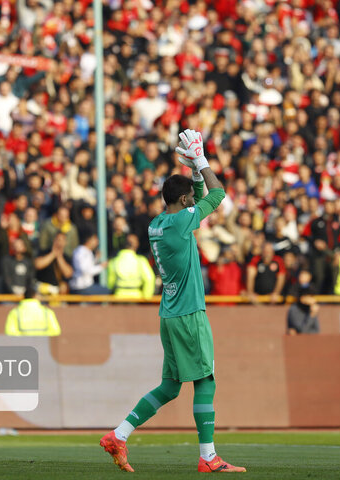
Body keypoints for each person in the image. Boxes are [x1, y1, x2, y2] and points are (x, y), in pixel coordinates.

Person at [100, 130, 245, 473]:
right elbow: (219, 193)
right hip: (190, 315)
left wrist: (194, 174)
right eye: (190, 201)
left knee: (170, 386)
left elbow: (195, 197)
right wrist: (203, 162)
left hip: (169, 313)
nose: (194, 204)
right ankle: (208, 457)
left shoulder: (159, 224)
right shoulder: (183, 221)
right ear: (183, 203)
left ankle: (118, 435)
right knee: (205, 380)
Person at [107, 234, 156, 299]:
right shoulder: (141, 261)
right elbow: (149, 279)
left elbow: (110, 284)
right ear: (135, 245)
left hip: (118, 297)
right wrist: (146, 297)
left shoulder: (113, 261)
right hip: (137, 297)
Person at [69, 231, 110, 295]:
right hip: (81, 287)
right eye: (95, 239)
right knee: (107, 292)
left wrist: (96, 259)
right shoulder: (81, 252)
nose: (97, 242)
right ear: (89, 240)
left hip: (84, 286)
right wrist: (101, 266)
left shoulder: (86, 251)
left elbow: (88, 266)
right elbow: (86, 270)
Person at [286, 268, 320, 334]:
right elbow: (303, 331)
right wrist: (312, 315)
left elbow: (317, 331)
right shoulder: (294, 310)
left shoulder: (312, 308)